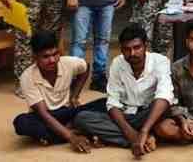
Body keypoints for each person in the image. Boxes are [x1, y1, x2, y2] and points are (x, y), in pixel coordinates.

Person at [73, 24, 175, 157]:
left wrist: (144, 130)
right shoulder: (117, 63)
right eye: (127, 49)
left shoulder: (160, 61)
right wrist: (132, 135)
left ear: (145, 46)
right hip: (125, 115)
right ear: (121, 49)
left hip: (148, 115)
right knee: (82, 118)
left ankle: (128, 136)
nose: (132, 53)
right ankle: (144, 140)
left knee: (164, 107)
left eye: (137, 47)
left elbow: (164, 95)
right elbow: (113, 102)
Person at [12, 30, 105, 153]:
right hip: (46, 116)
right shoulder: (27, 77)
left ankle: (51, 137)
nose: (52, 60)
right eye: (46, 56)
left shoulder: (68, 63)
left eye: (55, 54)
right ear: (35, 57)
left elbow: (85, 67)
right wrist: (71, 137)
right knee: (21, 122)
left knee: (104, 103)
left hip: (68, 111)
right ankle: (79, 131)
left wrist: (74, 96)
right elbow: (43, 114)